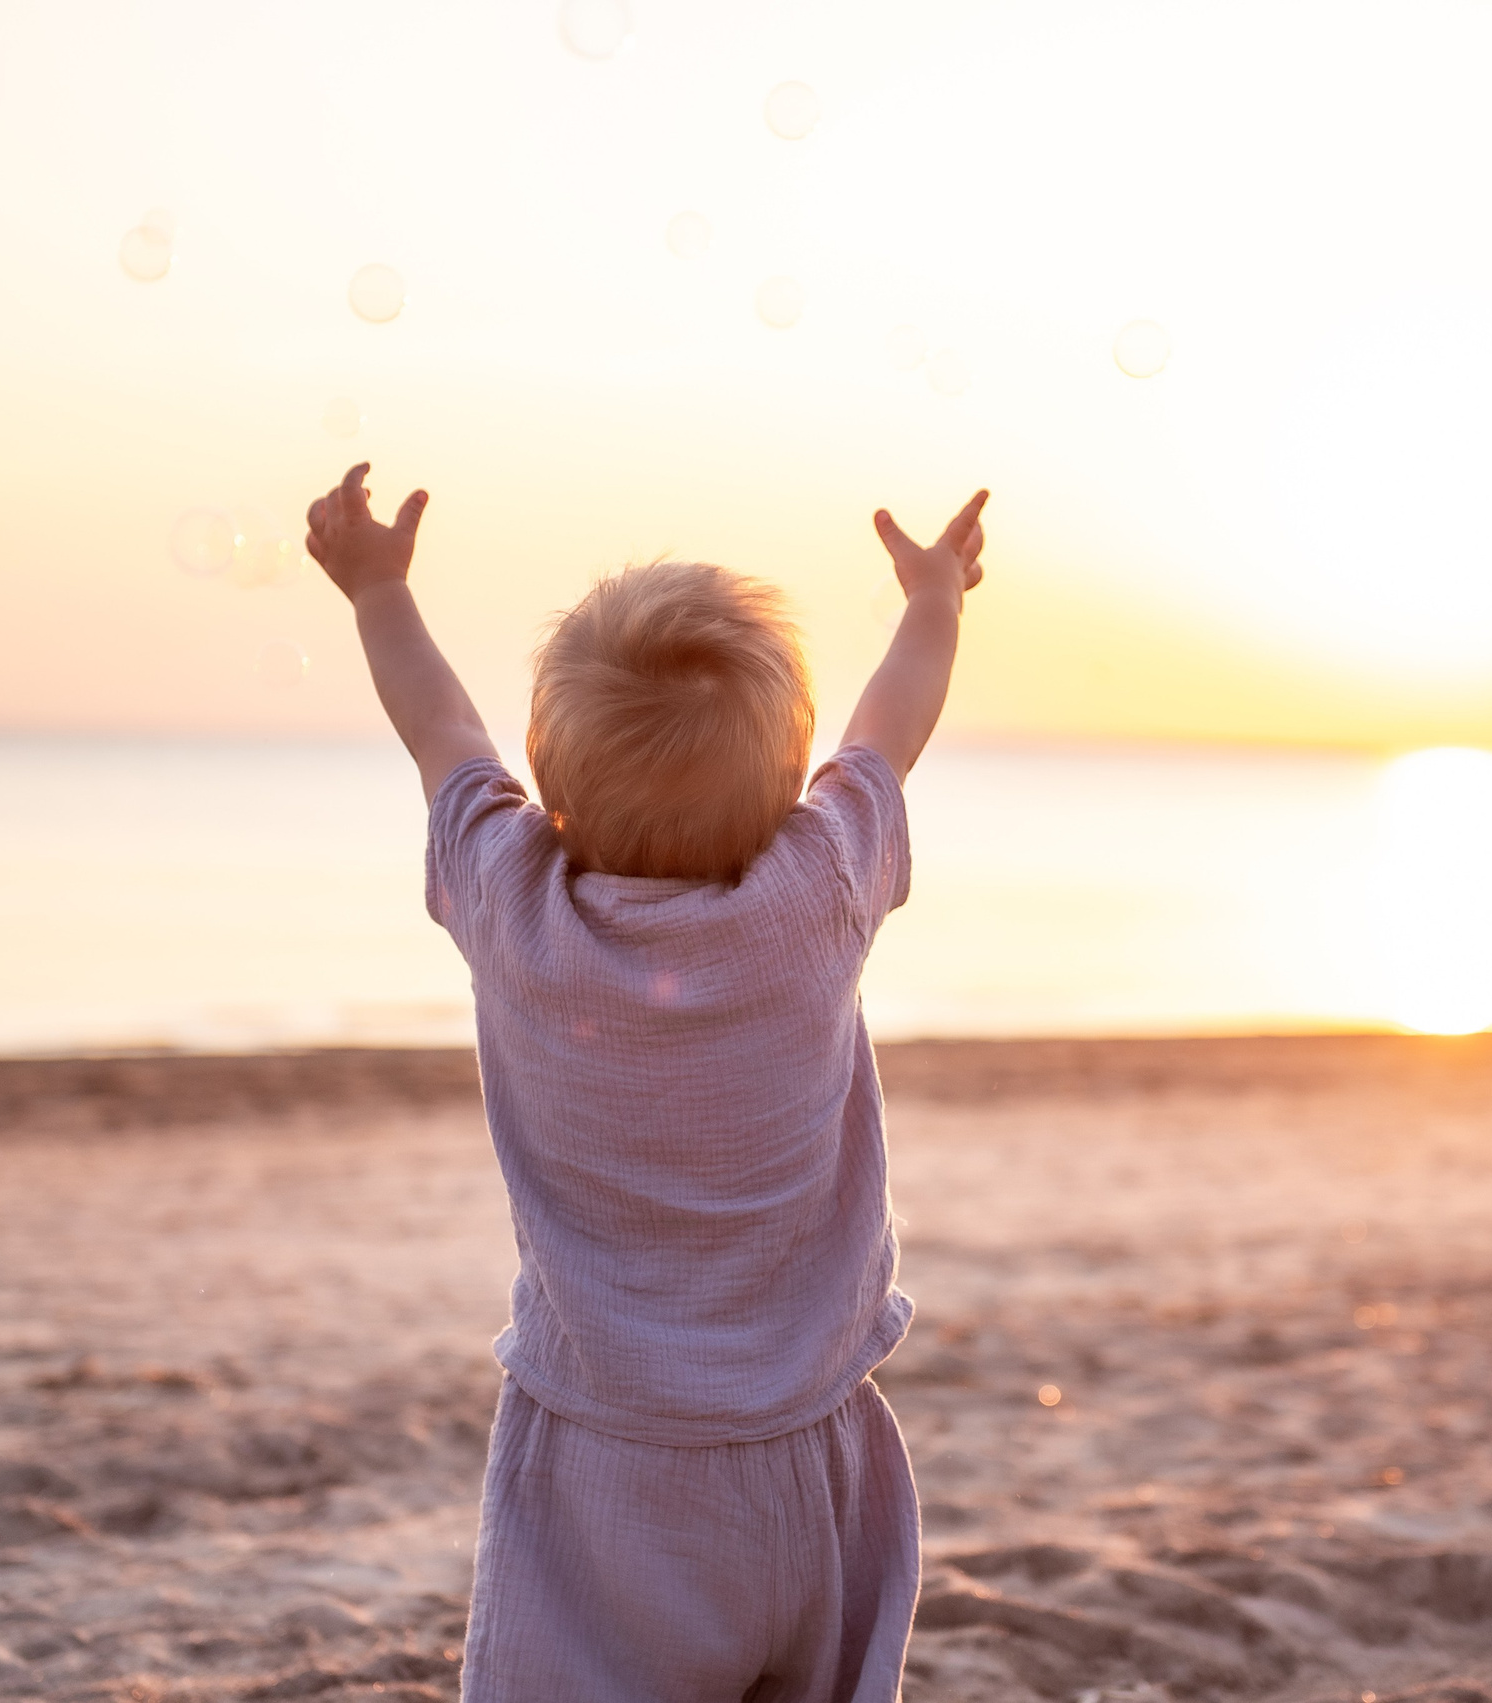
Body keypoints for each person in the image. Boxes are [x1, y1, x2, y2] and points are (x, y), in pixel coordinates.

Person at [305, 463, 988, 1701]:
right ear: (785, 788)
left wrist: (378, 591)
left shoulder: (514, 902)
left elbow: (441, 734)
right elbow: (892, 724)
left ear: (552, 795)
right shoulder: (816, 888)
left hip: (608, 1474)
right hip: (814, 1453)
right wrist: (934, 597)